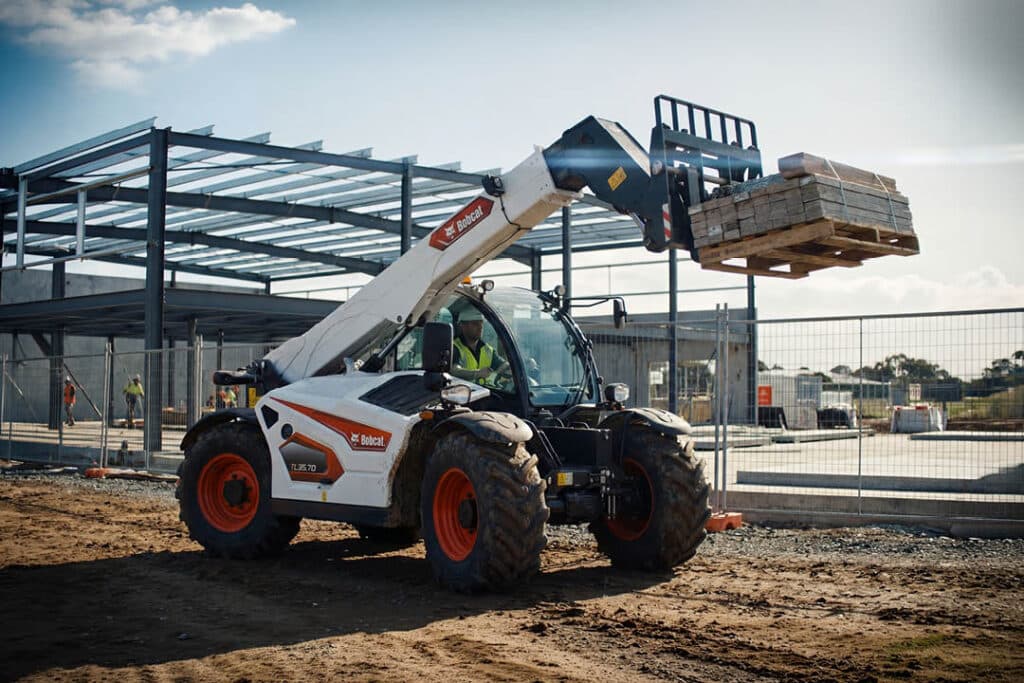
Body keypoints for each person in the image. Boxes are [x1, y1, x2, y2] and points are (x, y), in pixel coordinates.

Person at [451, 308, 510, 385]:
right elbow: (454, 371)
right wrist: (477, 373)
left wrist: (496, 374)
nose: (480, 327)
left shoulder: (487, 349)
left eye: (481, 323)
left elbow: (504, 365)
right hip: (463, 394)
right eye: (475, 323)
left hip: (488, 394)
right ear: (463, 326)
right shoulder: (454, 347)